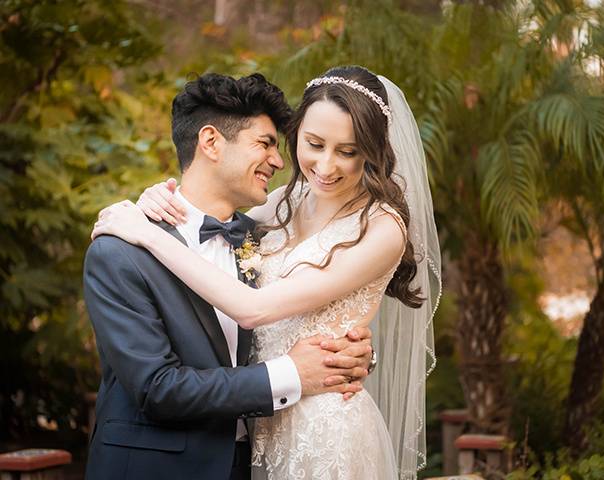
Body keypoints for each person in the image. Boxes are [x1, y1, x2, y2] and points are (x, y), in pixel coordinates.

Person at [93, 66, 441, 479]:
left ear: (372, 151)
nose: (325, 166)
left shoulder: (381, 227)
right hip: (257, 434)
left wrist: (352, 355)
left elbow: (257, 311)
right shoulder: (280, 205)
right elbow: (160, 385)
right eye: (313, 144)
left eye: (348, 151)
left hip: (325, 433)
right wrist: (150, 208)